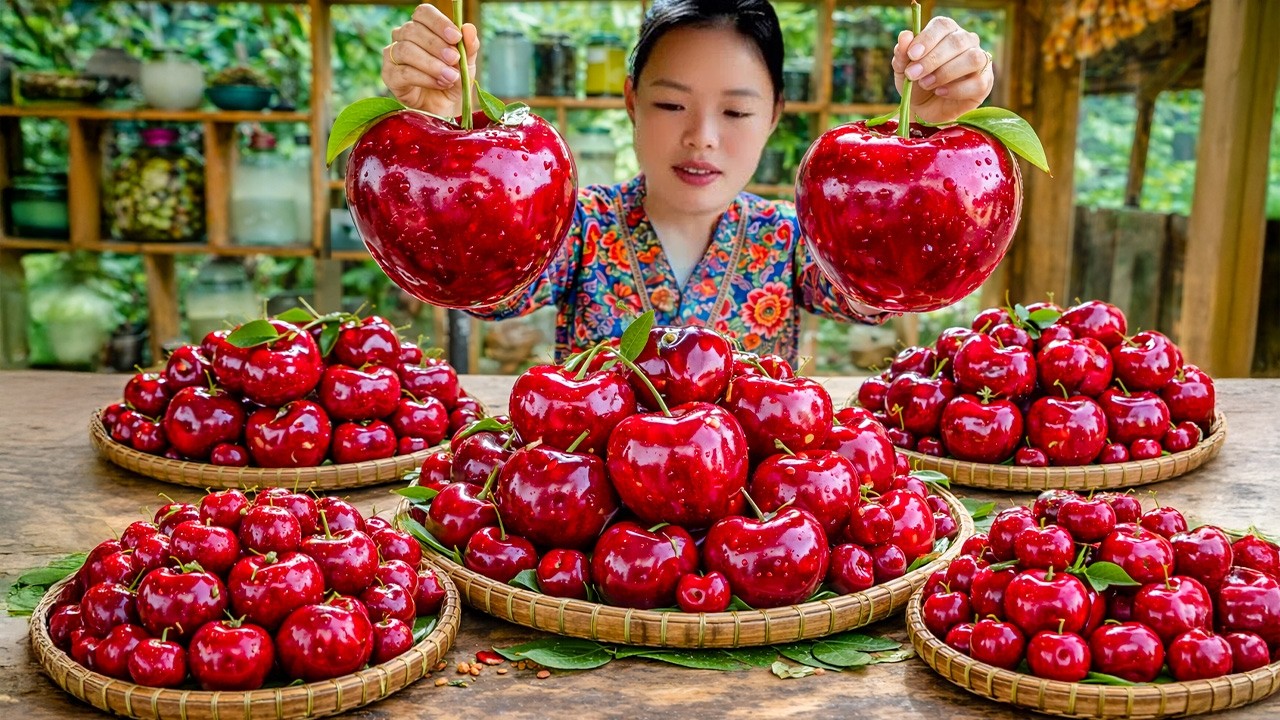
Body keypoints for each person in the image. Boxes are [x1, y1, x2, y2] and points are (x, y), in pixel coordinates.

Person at [380, 0, 995, 363]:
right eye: (673, 105)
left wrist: (932, 146)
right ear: (631, 102)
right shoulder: (579, 225)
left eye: (735, 111)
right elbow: (488, 289)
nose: (702, 135)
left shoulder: (792, 235)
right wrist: (440, 141)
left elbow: (881, 291)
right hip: (592, 542)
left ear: (776, 114)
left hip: (761, 544)